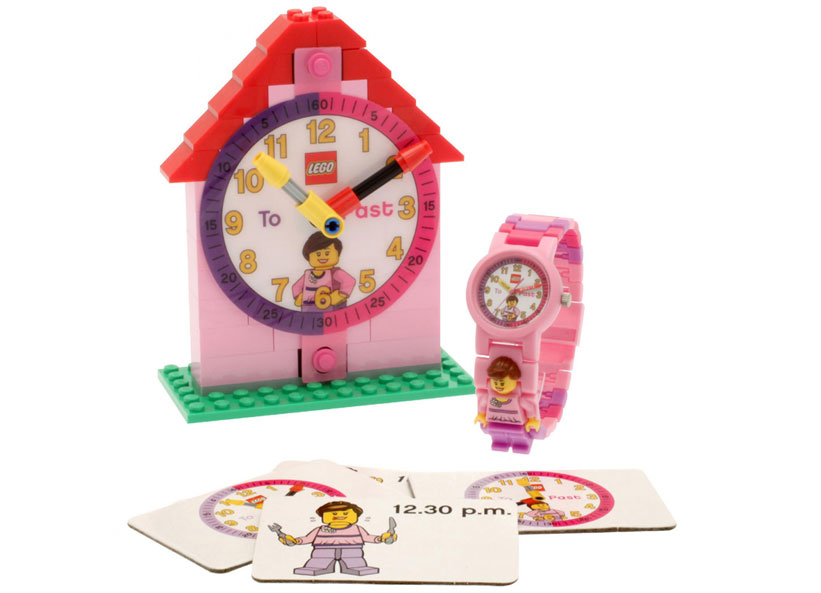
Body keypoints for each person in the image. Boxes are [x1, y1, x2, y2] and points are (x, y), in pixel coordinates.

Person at [278, 501, 396, 576]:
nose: (339, 516)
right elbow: (308, 538)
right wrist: (295, 541)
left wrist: (381, 538)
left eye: (345, 514)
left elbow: (368, 537)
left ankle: (357, 567)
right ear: (323, 516)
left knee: (356, 565)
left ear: (355, 516)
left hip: (352, 550)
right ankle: (316, 567)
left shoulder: (357, 528)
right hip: (323, 550)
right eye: (333, 514)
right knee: (317, 564)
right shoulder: (320, 529)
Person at [475, 356, 543, 454]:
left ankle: (521, 444)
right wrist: (481, 415)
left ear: (515, 379)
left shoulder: (520, 398)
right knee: (497, 434)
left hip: (517, 424)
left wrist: (532, 420)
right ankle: (499, 443)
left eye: (502, 383)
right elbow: (483, 404)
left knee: (518, 435)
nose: (498, 386)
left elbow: (529, 408)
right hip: (495, 422)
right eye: (495, 382)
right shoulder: (491, 398)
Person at [292, 232, 355, 312]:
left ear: (337, 255)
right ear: (308, 257)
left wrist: (341, 295)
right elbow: (296, 287)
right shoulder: (309, 275)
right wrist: (299, 296)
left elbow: (349, 281)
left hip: (333, 308)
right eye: (318, 254)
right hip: (310, 309)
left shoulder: (336, 273)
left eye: (327, 253)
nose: (322, 257)